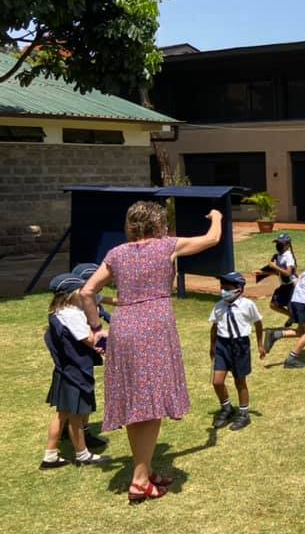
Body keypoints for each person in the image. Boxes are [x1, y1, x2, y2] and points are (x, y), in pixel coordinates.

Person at [80, 201, 222, 504]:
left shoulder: (116, 254)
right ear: (158, 224)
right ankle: (140, 481)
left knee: (136, 403)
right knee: (152, 404)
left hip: (124, 328)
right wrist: (218, 216)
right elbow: (212, 239)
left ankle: (143, 469)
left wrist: (96, 328)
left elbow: (86, 291)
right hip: (155, 328)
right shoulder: (166, 246)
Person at [40, 273, 110, 470]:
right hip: (75, 372)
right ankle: (82, 454)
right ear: (72, 294)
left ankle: (50, 456)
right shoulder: (71, 314)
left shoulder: (59, 311)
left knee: (62, 414)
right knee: (76, 416)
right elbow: (90, 340)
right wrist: (111, 336)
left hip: (65, 370)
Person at [209, 272, 264, 431]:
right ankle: (226, 408)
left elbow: (258, 323)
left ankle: (244, 414)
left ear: (239, 289)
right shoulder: (219, 306)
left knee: (239, 381)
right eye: (222, 287)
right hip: (222, 345)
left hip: (240, 345)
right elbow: (214, 327)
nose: (223, 291)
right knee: (217, 381)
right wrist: (212, 346)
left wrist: (260, 344)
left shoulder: (248, 305)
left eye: (227, 288)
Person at [257, 233, 296, 328]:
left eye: (281, 243)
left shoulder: (288, 256)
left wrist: (275, 266)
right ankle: (292, 316)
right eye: (277, 243)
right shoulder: (278, 255)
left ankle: (299, 324)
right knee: (273, 305)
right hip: (284, 285)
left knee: (293, 308)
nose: (278, 245)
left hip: (292, 286)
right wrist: (261, 273)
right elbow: (277, 272)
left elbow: (288, 273)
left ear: (287, 245)